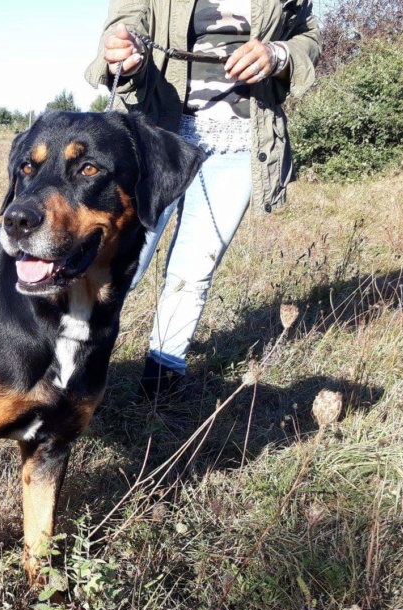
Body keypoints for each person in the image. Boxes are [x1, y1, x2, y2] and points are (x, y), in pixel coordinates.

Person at [85, 0, 321, 400]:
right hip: (155, 138)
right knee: (115, 263)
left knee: (194, 272)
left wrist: (278, 54)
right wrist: (121, 50)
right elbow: (124, 24)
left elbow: (307, 37)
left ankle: (160, 387)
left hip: (239, 142)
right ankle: (69, 376)